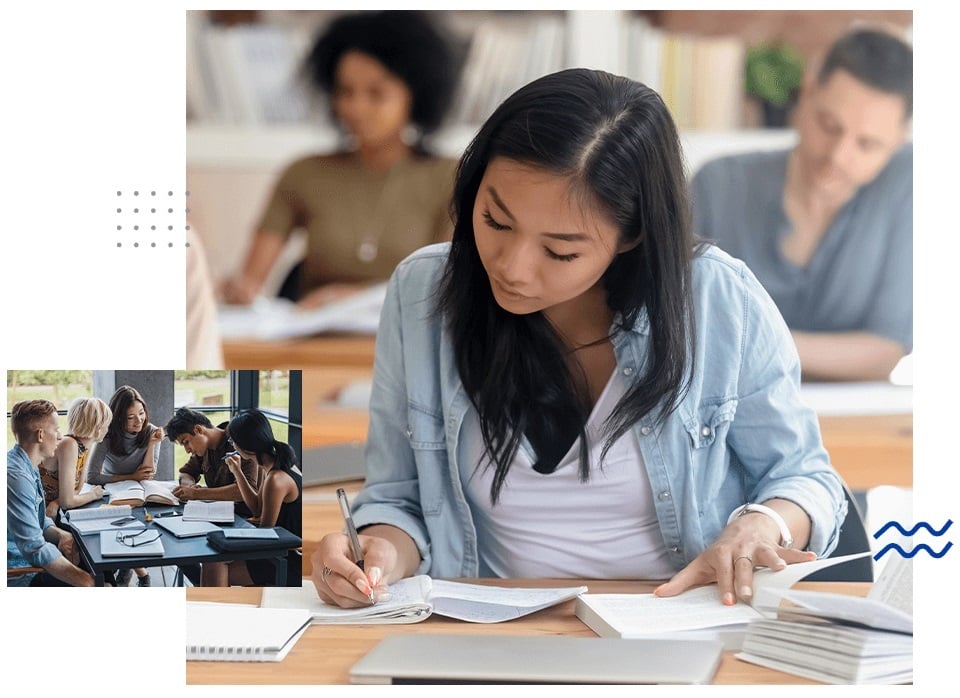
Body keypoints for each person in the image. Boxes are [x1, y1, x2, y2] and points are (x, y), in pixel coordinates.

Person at [310, 68, 846, 610]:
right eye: (495, 220)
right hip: (484, 628)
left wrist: (763, 525)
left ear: (631, 234)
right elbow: (398, 499)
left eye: (560, 250)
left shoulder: (715, 301)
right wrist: (378, 552)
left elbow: (804, 478)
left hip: (674, 625)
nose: (513, 267)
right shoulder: (424, 292)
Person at [691, 28, 913, 382]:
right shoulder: (718, 185)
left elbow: (885, 350)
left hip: (853, 424)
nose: (839, 156)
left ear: (898, 141)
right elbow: (677, 324)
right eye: (828, 125)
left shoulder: (908, 186)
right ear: (807, 92)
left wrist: (755, 342)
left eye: (868, 144)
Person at [220, 10, 462, 309]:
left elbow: (445, 286)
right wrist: (236, 291)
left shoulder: (449, 177)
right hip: (312, 341)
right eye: (345, 91)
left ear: (415, 95)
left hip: (405, 337)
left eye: (376, 94)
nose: (356, 108)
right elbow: (250, 281)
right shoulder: (304, 173)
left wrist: (353, 299)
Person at [201, 409, 302, 586]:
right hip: (283, 548)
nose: (232, 446)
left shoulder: (276, 479)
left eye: (233, 441)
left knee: (213, 562)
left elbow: (265, 532)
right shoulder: (273, 465)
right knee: (215, 556)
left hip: (289, 560)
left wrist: (230, 540)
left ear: (244, 444)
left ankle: (214, 609)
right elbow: (257, 508)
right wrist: (237, 472)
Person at [7, 400, 94, 587]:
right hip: (21, 570)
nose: (60, 436)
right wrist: (86, 582)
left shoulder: (27, 465)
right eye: (55, 430)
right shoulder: (15, 478)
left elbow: (36, 518)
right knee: (97, 576)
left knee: (90, 559)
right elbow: (34, 547)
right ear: (40, 435)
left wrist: (60, 534)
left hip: (29, 558)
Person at [87, 385, 163, 587]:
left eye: (141, 413)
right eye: (131, 417)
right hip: (116, 491)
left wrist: (152, 444)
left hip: (142, 489)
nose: (139, 421)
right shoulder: (109, 435)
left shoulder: (152, 431)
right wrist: (130, 475)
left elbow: (149, 472)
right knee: (115, 525)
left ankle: (132, 572)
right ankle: (139, 573)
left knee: (136, 524)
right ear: (119, 418)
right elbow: (92, 476)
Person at [166, 406, 262, 517]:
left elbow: (244, 491)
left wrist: (197, 494)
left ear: (199, 430)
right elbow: (186, 473)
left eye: (186, 442)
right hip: (219, 514)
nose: (187, 450)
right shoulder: (204, 450)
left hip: (248, 518)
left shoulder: (239, 443)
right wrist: (190, 486)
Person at [39, 397, 111, 520]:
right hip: (40, 515)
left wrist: (57, 502)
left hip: (52, 514)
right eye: (107, 423)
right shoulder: (69, 444)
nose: (107, 429)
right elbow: (68, 501)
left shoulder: (84, 446)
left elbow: (77, 489)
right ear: (97, 425)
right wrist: (93, 494)